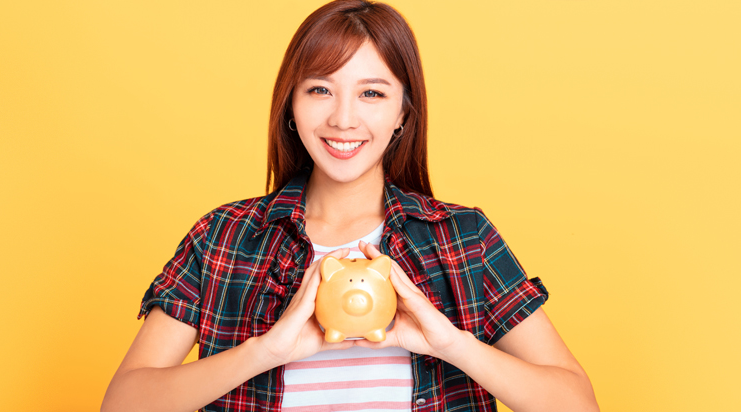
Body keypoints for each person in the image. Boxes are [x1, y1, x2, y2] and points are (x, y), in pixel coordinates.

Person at [101, 1, 599, 411]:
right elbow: (122, 403)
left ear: (403, 111)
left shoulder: (460, 236)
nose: (343, 118)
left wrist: (450, 345)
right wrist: (265, 351)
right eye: (320, 89)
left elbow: (578, 404)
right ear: (291, 106)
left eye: (372, 93)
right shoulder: (226, 236)